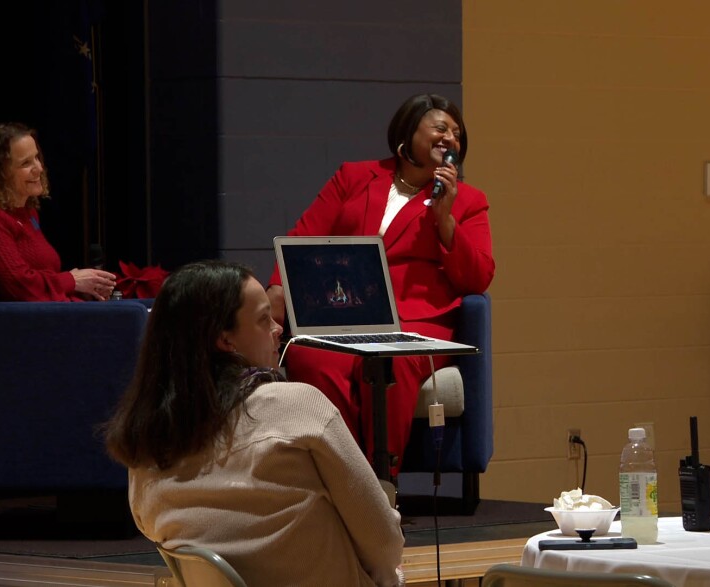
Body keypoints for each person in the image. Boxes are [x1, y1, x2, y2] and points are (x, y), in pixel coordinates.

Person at [104, 260, 405, 587]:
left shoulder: (146, 439)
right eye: (264, 319)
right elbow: (383, 541)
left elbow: (148, 527)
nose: (278, 328)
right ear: (225, 340)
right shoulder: (296, 406)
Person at [266, 93, 495, 478]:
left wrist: (445, 219)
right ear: (408, 132)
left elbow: (477, 278)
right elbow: (303, 240)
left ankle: (378, 486)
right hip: (342, 312)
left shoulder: (468, 201)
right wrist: (276, 292)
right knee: (312, 358)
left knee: (392, 364)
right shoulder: (353, 177)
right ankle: (341, 476)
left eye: (457, 133)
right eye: (440, 127)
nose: (450, 138)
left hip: (415, 319)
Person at [0, 122, 117, 301]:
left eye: (37, 158)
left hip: (55, 315)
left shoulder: (28, 213)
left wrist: (83, 286)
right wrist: (71, 280)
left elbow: (43, 283)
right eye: (26, 163)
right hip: (25, 324)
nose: (39, 168)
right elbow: (20, 286)